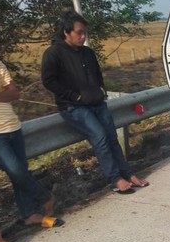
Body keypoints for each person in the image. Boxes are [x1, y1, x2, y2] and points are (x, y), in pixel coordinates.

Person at [41, 11, 148, 194]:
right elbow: (49, 81)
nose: (83, 37)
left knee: (112, 138)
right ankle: (116, 179)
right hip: (74, 107)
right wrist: (75, 97)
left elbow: (98, 75)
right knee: (100, 137)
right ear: (66, 32)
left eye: (85, 33)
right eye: (79, 33)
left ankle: (128, 174)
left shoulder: (88, 53)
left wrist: (101, 91)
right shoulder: (54, 53)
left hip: (97, 103)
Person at [0, 17, 61, 228]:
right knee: (15, 170)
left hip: (12, 126)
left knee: (20, 172)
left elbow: (15, 93)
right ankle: (45, 197)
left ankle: (29, 214)